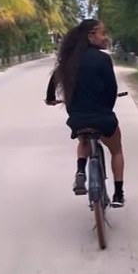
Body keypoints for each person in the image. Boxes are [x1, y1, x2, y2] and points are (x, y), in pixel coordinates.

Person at [45, 19, 125, 208]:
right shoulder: (103, 59)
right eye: (103, 33)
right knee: (117, 150)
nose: (106, 38)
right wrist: (106, 110)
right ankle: (119, 194)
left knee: (83, 140)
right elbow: (111, 89)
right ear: (91, 36)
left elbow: (54, 79)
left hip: (78, 118)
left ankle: (81, 171)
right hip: (102, 116)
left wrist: (50, 98)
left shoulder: (70, 59)